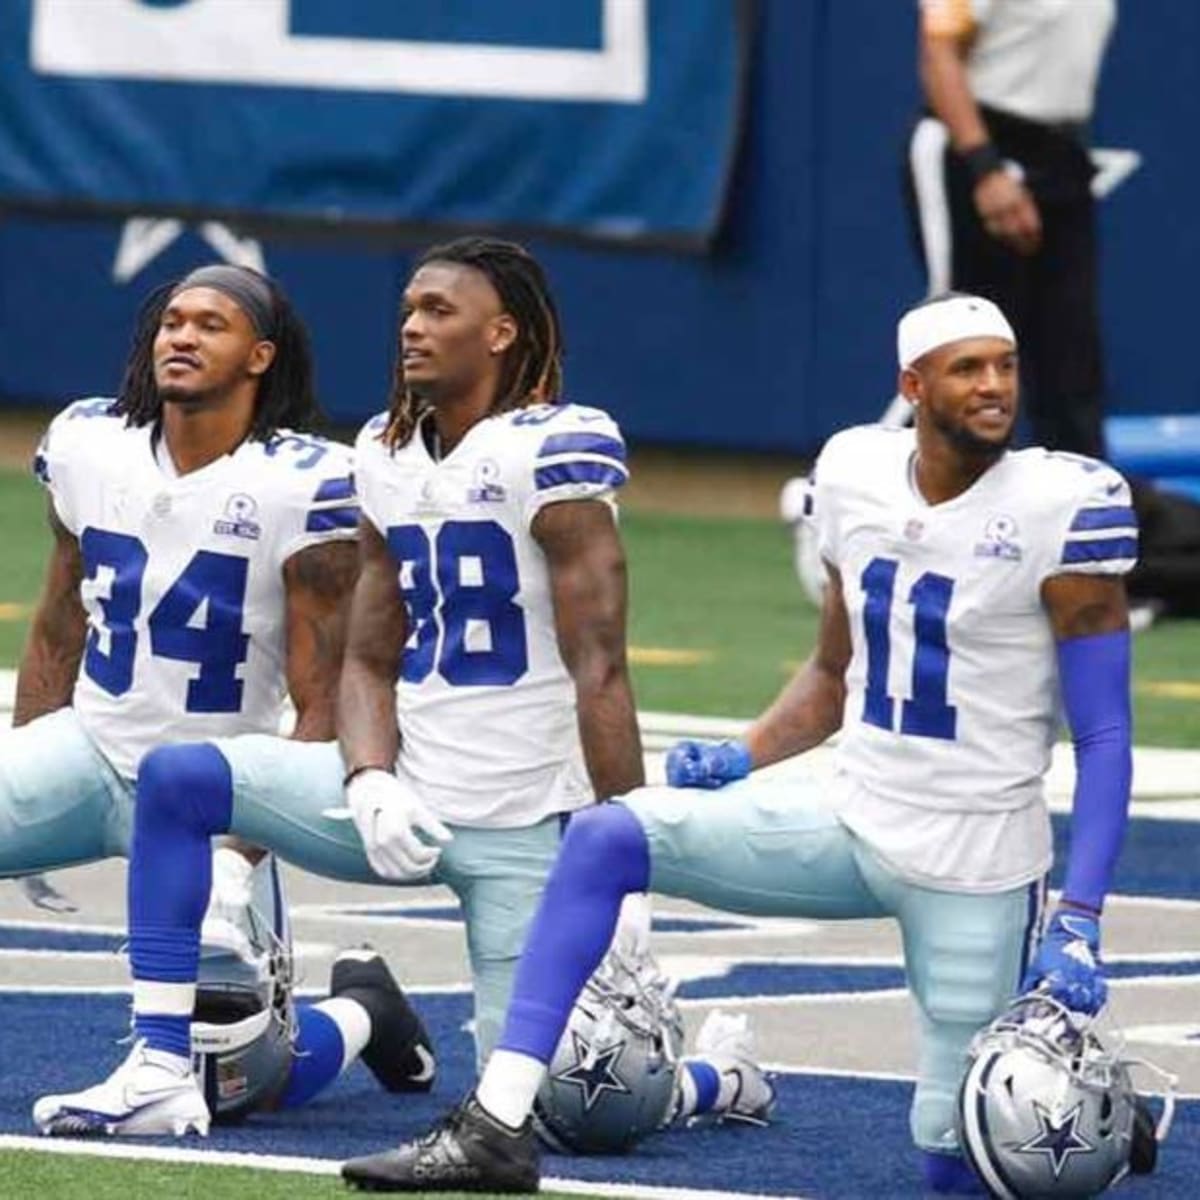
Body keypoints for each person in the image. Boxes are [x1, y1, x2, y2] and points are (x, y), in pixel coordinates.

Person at [340, 292, 1140, 1195]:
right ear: (913, 386)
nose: (995, 387)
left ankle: (1099, 1102)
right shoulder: (854, 471)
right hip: (850, 815)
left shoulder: (1064, 504)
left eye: (1005, 366)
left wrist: (1079, 918)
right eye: (968, 369)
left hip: (977, 863)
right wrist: (749, 755)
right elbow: (835, 674)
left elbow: (1106, 735)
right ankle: (499, 1124)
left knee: (962, 1164)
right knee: (610, 835)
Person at [34, 237, 647, 1137]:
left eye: (439, 311)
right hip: (395, 782)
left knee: (581, 1109)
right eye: (408, 309)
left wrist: (628, 865)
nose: (411, 326)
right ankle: (156, 1065)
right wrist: (368, 777)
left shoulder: (556, 446)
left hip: (522, 815)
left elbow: (602, 668)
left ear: (503, 332)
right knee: (183, 780)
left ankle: (719, 1079)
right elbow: (366, 659)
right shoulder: (383, 453)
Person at [8, 263, 430, 1133]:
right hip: (90, 748)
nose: (183, 336)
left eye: (211, 324)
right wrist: (24, 758)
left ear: (260, 357)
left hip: (220, 788)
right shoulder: (90, 443)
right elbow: (58, 625)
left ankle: (362, 1016)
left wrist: (239, 859)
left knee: (233, 1082)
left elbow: (322, 699)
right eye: (172, 322)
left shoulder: (305, 483)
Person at [905, 0, 1115, 459]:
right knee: (956, 340)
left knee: (1071, 358)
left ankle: (1070, 516)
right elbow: (939, 53)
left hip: (1060, 152)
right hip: (978, 142)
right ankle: (863, 495)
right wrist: (986, 167)